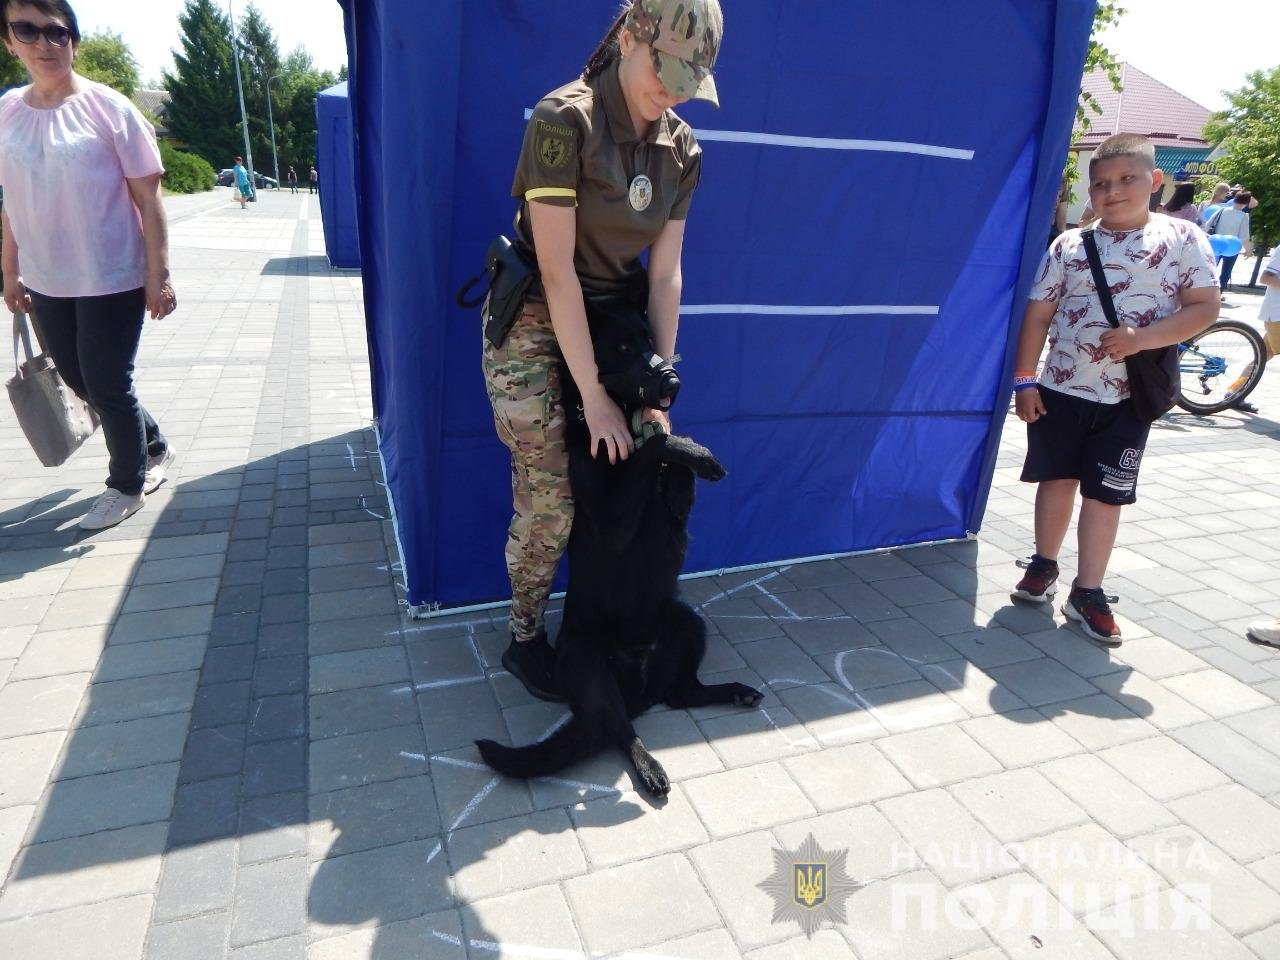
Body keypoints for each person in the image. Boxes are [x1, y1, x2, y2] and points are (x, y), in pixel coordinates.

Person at [483, 0, 720, 700]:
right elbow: (557, 274)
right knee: (551, 495)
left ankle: (607, 627)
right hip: (533, 315)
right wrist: (592, 398)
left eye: (687, 79)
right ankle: (525, 637)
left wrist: (658, 388)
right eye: (663, 71)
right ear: (628, 37)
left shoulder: (681, 149)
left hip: (615, 320)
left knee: (638, 465)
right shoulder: (565, 121)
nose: (672, 92)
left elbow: (666, 274)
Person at [1009, 133, 1218, 644]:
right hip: (1060, 390)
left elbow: (1204, 308)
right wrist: (1024, 380)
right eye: (1100, 183)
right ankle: (1044, 564)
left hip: (1128, 400)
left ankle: (1089, 590)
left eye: (1127, 179)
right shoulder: (1071, 245)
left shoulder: (1183, 239)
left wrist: (1140, 339)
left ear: (1155, 180)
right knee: (1055, 480)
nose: (1113, 191)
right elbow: (1038, 316)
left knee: (1106, 496)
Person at [0, 0, 177, 530]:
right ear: (9, 41)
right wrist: (10, 273)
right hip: (47, 278)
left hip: (112, 274)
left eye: (56, 32)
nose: (43, 43)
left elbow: (149, 200)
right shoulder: (7, 112)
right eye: (26, 30)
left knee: (106, 382)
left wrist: (158, 276)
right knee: (80, 381)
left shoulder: (110, 109)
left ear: (73, 40)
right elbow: (9, 200)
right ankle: (152, 447)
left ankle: (126, 485)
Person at [1206, 191, 1253, 294]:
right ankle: (1218, 294)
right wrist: (1249, 250)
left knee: (1210, 270)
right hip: (1232, 247)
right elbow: (1244, 236)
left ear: (1234, 199)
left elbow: (1207, 226)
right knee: (1226, 271)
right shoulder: (1244, 216)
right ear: (1247, 203)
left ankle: (1205, 291)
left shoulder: (1221, 210)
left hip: (1215, 244)